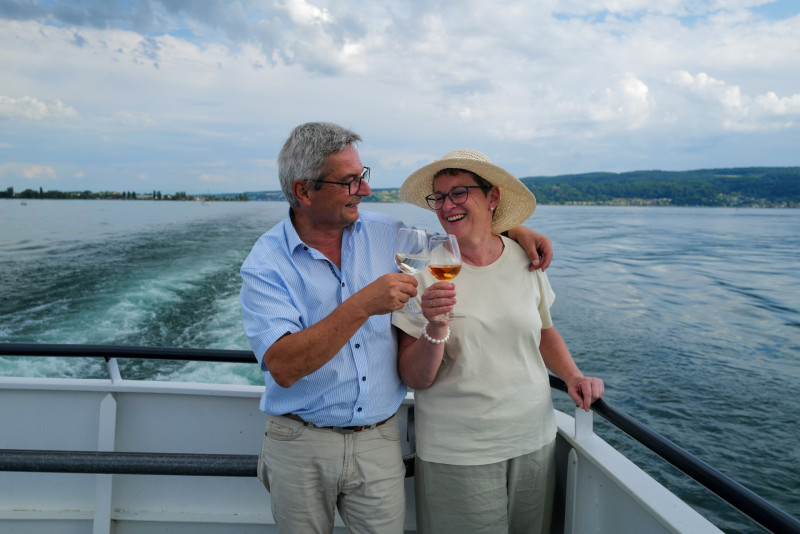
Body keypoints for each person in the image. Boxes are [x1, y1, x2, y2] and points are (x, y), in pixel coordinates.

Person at [239, 123, 554, 533]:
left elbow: (459, 231)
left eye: (362, 176)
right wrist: (362, 305)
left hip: (378, 440)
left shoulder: (388, 234)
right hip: (300, 442)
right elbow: (282, 365)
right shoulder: (265, 265)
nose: (365, 191)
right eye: (350, 182)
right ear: (304, 191)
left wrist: (514, 230)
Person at [393, 149, 605, 534]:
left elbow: (543, 330)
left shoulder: (526, 259)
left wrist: (573, 374)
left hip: (534, 441)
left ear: (493, 198)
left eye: (459, 193)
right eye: (439, 197)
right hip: (458, 453)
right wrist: (436, 326)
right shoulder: (422, 271)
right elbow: (414, 377)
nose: (447, 205)